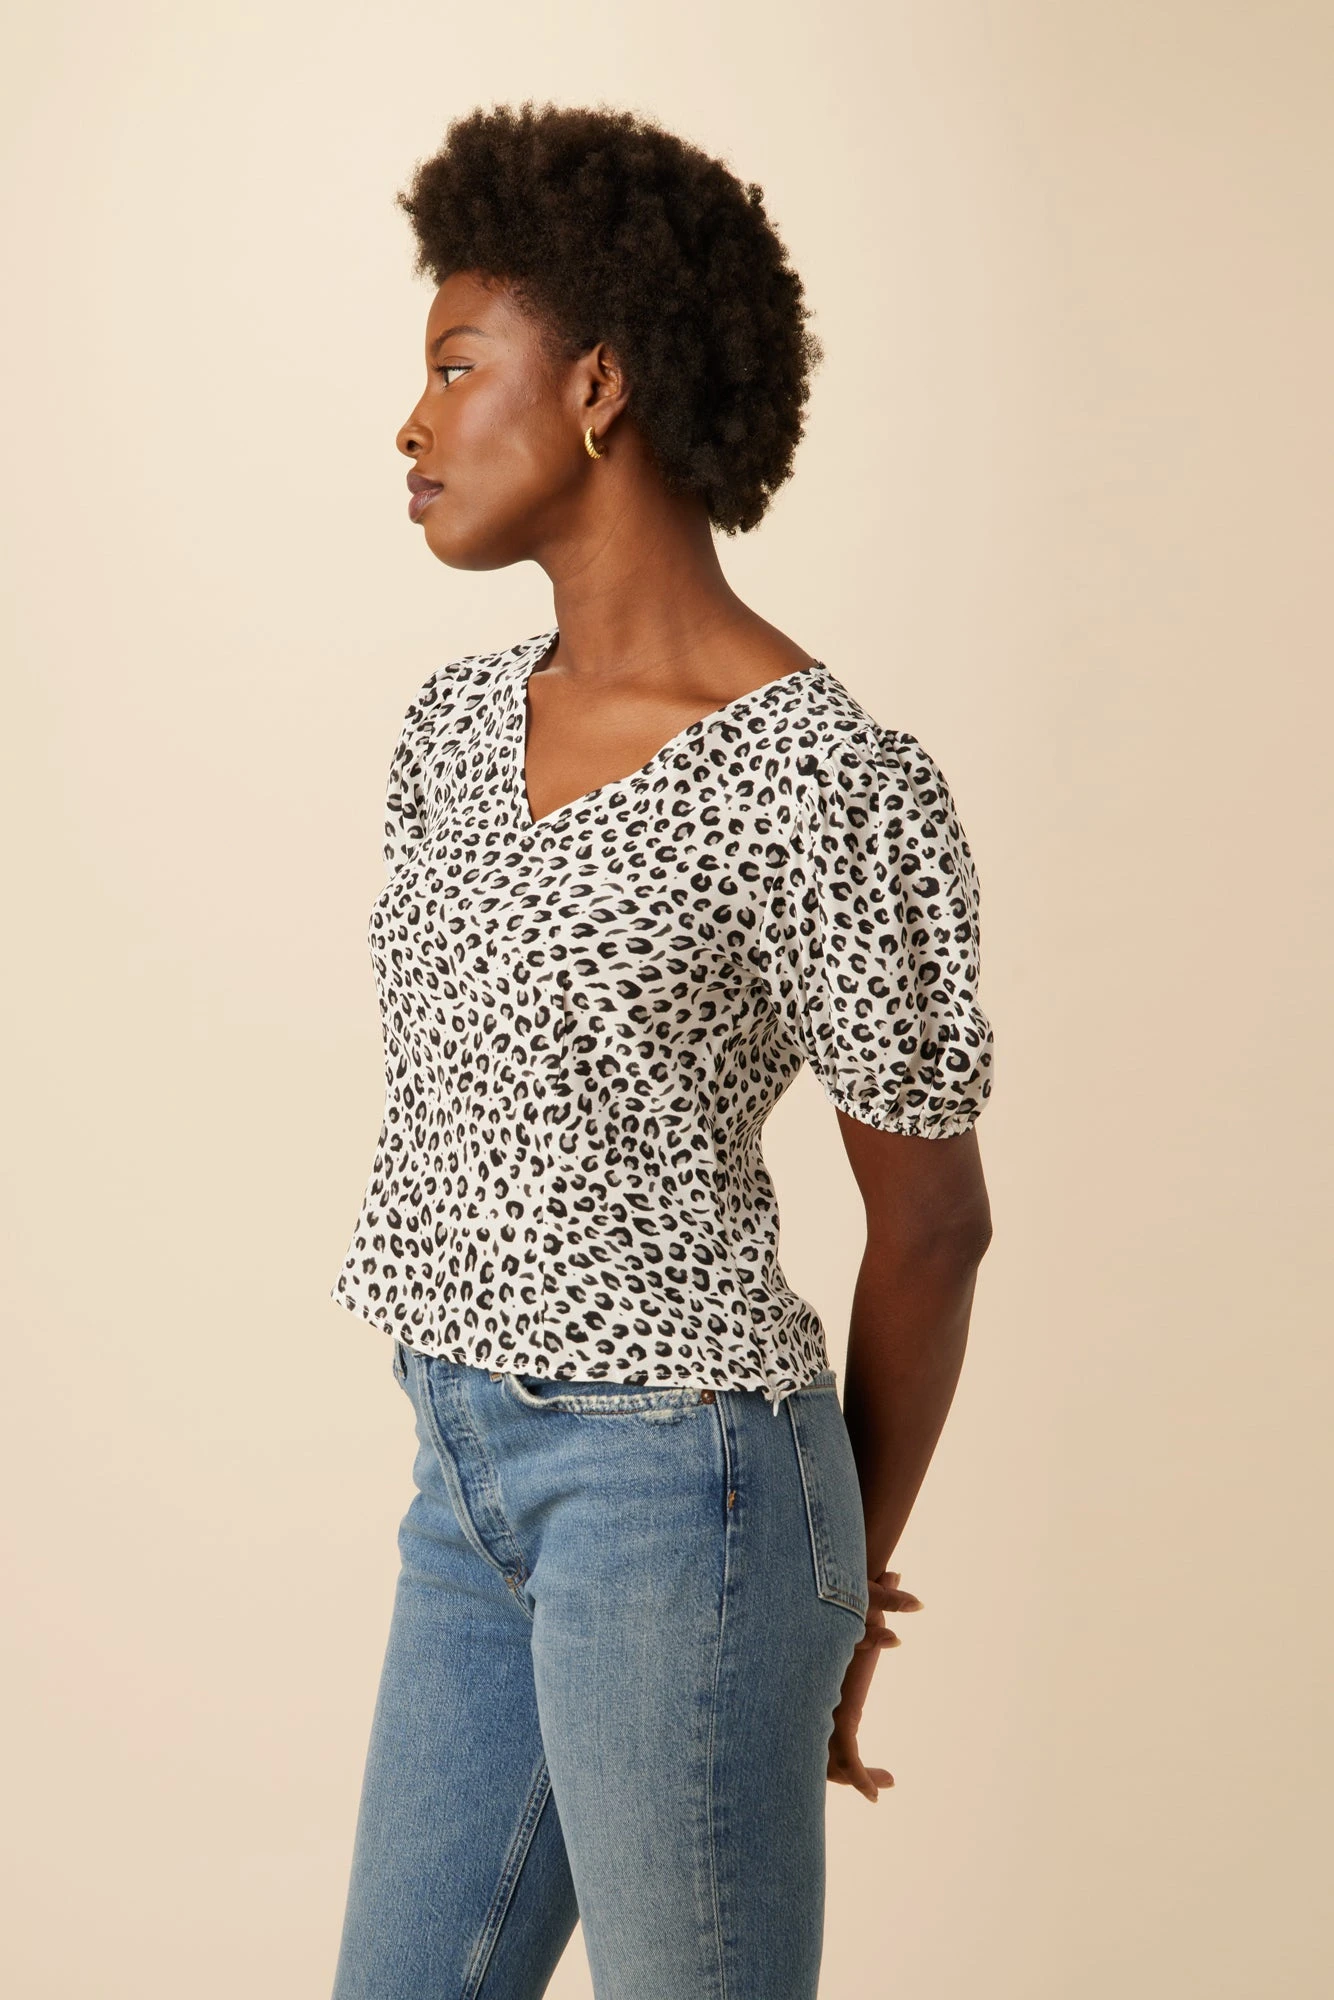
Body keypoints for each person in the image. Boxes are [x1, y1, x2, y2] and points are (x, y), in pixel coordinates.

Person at [328, 101, 994, 2000]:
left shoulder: (824, 780)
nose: (410, 424)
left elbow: (933, 1223)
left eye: (457, 366)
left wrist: (835, 1589)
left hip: (682, 1496)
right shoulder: (453, 732)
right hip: (462, 1480)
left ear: (600, 385)